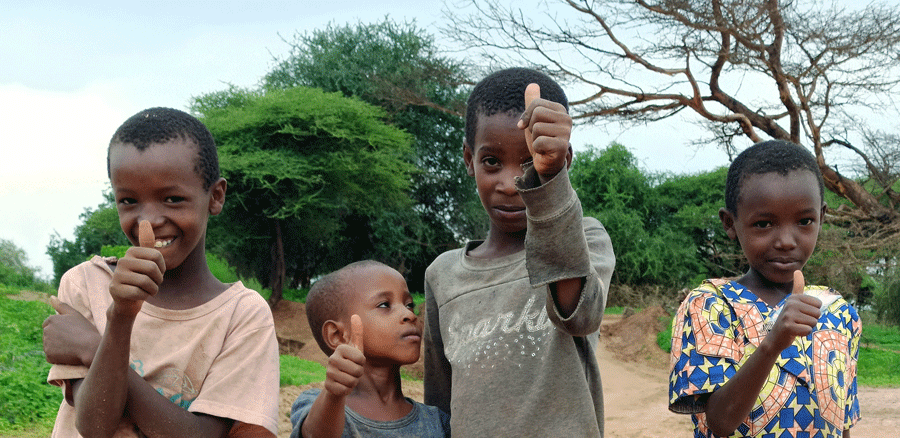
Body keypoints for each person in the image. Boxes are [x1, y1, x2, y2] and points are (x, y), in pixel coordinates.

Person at [42, 107, 280, 437]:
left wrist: (93, 348)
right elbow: (95, 426)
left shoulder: (241, 315)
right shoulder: (86, 284)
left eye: (172, 199)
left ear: (215, 196)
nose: (148, 221)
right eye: (128, 201)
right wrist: (121, 317)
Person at [422, 67, 616, 436]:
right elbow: (440, 402)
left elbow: (580, 317)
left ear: (565, 159)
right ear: (468, 159)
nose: (511, 183)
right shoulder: (442, 275)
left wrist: (548, 175)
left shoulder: (585, 239)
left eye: (527, 162)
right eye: (491, 161)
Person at [668, 140, 861, 438]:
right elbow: (720, 422)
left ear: (822, 217)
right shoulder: (710, 306)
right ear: (730, 223)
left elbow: (841, 423)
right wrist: (773, 342)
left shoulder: (839, 313)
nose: (786, 240)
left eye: (804, 221)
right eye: (763, 224)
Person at [289, 260, 450, 438]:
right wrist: (334, 394)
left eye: (409, 304)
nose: (409, 315)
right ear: (337, 335)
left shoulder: (438, 422)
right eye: (384, 305)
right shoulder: (317, 405)